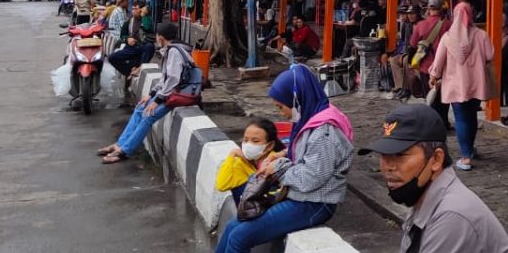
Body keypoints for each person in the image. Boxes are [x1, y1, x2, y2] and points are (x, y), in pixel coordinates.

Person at [214, 66, 354, 253]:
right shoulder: (312, 117)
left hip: (314, 203)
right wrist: (282, 156)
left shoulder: (324, 132)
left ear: (296, 99)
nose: (282, 113)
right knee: (233, 227)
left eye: (281, 106)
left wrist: (277, 168)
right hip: (298, 196)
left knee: (240, 237)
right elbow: (306, 156)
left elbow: (310, 178)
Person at [360, 103, 508, 253]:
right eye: (383, 156)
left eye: (400, 155)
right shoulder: (425, 197)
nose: (387, 166)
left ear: (436, 159)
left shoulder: (451, 218)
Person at [97, 22, 201, 164]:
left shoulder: (174, 52)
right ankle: (119, 144)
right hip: (172, 92)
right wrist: (151, 95)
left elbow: (173, 81)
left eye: (157, 35)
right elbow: (164, 78)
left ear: (161, 38)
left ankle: (124, 151)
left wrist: (157, 101)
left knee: (148, 115)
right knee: (140, 108)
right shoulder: (170, 50)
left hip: (180, 94)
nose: (156, 38)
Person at [429, 2, 495, 172]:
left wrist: (434, 76)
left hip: (455, 85)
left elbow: (438, 63)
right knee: (471, 116)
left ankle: (465, 157)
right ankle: (470, 150)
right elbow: (490, 55)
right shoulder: (481, 35)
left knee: (461, 119)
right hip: (476, 85)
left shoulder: (447, 38)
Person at [216, 117, 287, 203]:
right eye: (246, 140)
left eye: (255, 141)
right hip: (249, 210)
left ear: (269, 146)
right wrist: (232, 155)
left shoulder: (277, 163)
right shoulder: (242, 162)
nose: (249, 144)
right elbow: (221, 185)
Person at [410, 0, 449, 122]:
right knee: (443, 96)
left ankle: (433, 122)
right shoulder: (448, 24)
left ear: (428, 9)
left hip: (426, 66)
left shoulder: (420, 25)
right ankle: (443, 121)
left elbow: (413, 43)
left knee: (430, 95)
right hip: (444, 66)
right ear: (441, 8)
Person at [109, 2, 156, 77]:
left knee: (150, 46)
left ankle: (140, 69)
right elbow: (122, 35)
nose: (133, 11)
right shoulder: (129, 21)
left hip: (143, 47)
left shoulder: (147, 19)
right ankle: (129, 72)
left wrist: (143, 15)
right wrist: (127, 39)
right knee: (112, 58)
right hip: (132, 48)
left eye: (136, 9)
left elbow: (148, 28)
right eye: (133, 9)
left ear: (141, 10)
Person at [388, 5, 420, 99]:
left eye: (412, 14)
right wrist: (399, 53)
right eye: (409, 14)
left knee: (406, 60)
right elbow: (404, 42)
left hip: (417, 53)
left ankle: (406, 89)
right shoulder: (407, 25)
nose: (402, 17)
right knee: (393, 60)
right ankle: (399, 87)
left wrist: (405, 54)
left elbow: (416, 45)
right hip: (407, 51)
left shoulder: (420, 25)